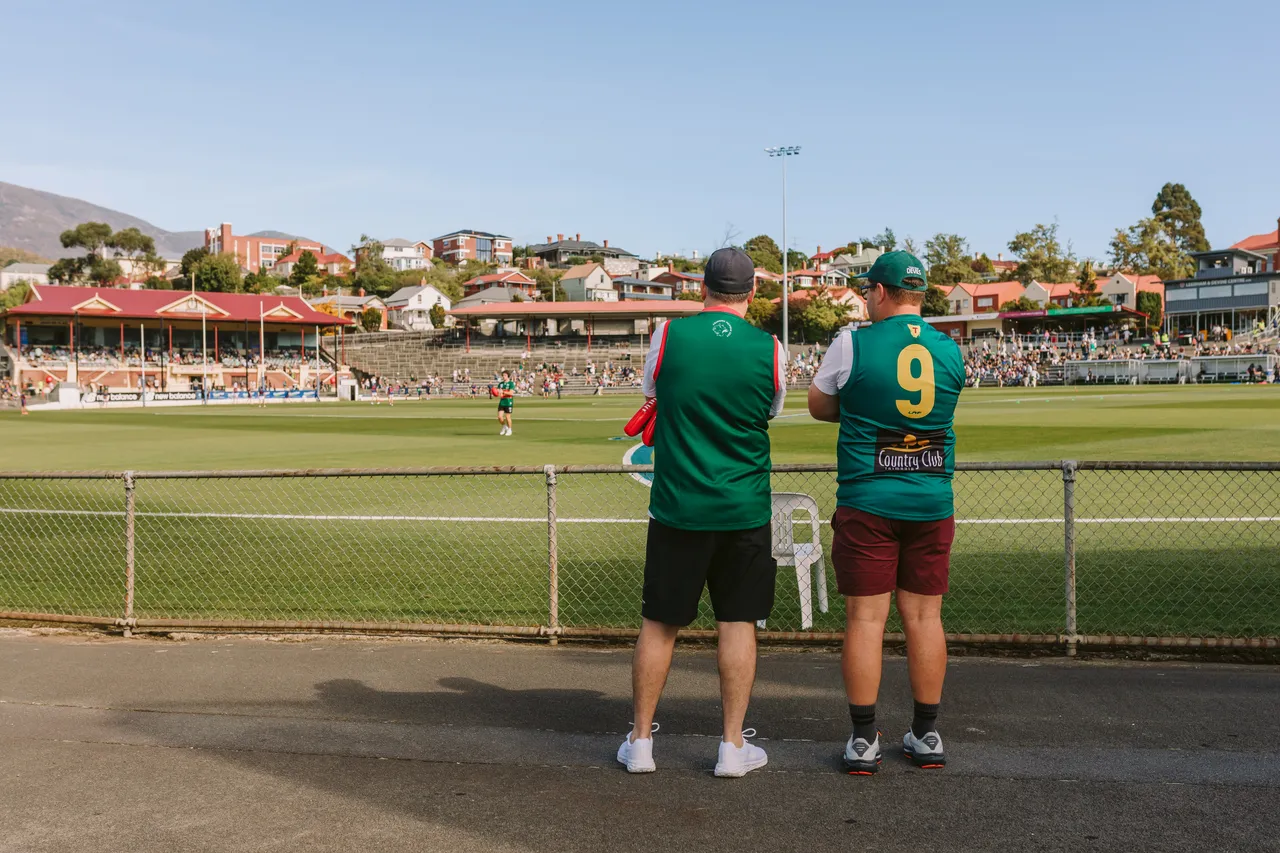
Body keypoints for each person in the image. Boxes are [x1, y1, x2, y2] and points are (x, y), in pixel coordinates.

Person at [618, 247, 786, 779]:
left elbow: (652, 392)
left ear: (701, 288)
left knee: (659, 626)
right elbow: (770, 409)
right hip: (743, 508)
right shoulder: (771, 348)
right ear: (752, 293)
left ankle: (641, 742)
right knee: (737, 625)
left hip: (677, 508)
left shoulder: (668, 335)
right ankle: (732, 748)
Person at [807, 251, 965, 775]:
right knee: (924, 618)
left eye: (866, 292)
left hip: (868, 500)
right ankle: (926, 734)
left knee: (865, 620)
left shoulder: (852, 341)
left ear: (879, 292)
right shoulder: (949, 348)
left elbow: (818, 404)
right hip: (930, 498)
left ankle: (861, 741)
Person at [496, 370, 516, 436]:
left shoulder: (511, 383)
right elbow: (498, 393)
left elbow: (511, 393)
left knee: (507, 417)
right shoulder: (500, 384)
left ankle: (510, 429)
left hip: (508, 402)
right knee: (499, 417)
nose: (503, 377)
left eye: (505, 375)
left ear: (508, 376)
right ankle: (504, 427)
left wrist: (503, 392)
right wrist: (497, 393)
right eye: (503, 375)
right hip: (502, 402)